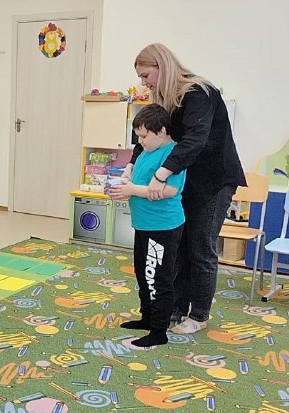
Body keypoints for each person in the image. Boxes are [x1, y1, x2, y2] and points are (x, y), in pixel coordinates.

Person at [126, 43, 246, 335]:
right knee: (178, 247)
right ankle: (176, 308)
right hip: (185, 180)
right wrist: (131, 164)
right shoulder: (164, 99)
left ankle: (199, 314)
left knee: (200, 249)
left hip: (214, 181)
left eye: (146, 75)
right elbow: (148, 135)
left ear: (162, 66)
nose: (144, 83)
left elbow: (195, 140)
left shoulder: (198, 93)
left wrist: (161, 174)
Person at [109, 104, 185, 348]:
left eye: (143, 136)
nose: (139, 142)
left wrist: (132, 190)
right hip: (144, 225)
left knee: (158, 278)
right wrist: (125, 182)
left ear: (161, 131)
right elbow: (138, 180)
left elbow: (170, 190)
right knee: (143, 274)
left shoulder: (172, 155)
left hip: (162, 227)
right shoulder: (146, 151)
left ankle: (159, 331)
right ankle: (148, 318)